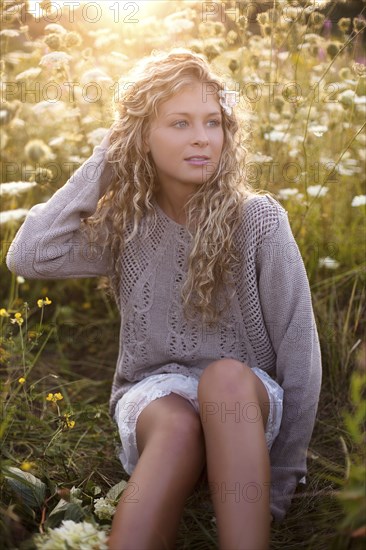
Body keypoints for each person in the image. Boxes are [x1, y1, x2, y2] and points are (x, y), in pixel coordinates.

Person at [6, 48, 322, 550]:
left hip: (245, 405)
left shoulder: (258, 220)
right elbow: (30, 255)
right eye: (179, 123)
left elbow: (300, 354)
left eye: (213, 122)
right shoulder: (128, 224)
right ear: (141, 137)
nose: (201, 137)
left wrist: (281, 480)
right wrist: (106, 159)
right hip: (157, 402)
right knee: (176, 420)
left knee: (225, 379)